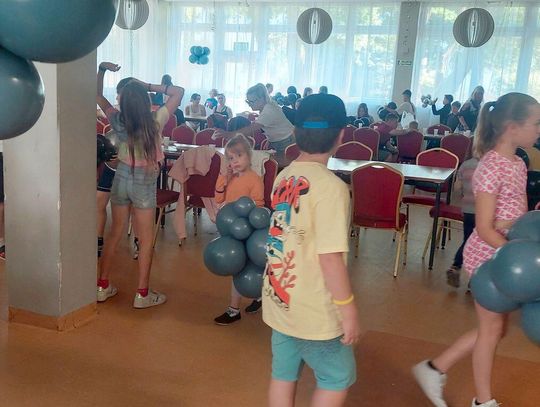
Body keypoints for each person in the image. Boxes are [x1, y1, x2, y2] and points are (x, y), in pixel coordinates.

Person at [412, 92, 540, 407]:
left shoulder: (518, 163)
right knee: (491, 331)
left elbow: (514, 214)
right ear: (512, 127)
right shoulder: (491, 166)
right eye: (536, 123)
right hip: (489, 258)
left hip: (507, 254)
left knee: (494, 329)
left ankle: (434, 368)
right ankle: (483, 401)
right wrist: (514, 256)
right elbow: (484, 227)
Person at [263, 93, 360, 407]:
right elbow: (330, 258)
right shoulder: (333, 188)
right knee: (336, 378)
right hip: (315, 311)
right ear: (341, 136)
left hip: (281, 299)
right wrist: (347, 309)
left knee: (283, 374)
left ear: (295, 133)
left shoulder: (283, 175)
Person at [96, 61, 184, 309]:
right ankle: (142, 294)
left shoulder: (117, 120)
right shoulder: (156, 120)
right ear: (145, 101)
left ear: (123, 102)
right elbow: (178, 92)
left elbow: (97, 95)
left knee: (115, 233)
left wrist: (101, 70)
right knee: (145, 240)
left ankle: (102, 286)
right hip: (144, 181)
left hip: (121, 176)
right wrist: (146, 84)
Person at [213, 135, 264, 325]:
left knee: (242, 268)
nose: (235, 161)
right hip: (230, 229)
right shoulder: (231, 178)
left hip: (247, 231)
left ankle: (234, 310)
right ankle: (255, 298)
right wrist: (223, 178)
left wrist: (244, 224)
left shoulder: (255, 179)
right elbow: (219, 199)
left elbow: (259, 206)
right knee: (237, 266)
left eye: (239, 156)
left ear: (249, 156)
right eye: (231, 158)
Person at [96, 76, 133, 259]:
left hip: (131, 171)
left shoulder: (142, 120)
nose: (117, 97)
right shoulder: (115, 116)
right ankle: (98, 242)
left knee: (135, 209)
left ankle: (139, 242)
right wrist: (101, 70)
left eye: (120, 94)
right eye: (117, 94)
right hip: (111, 168)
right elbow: (97, 95)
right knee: (99, 202)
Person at [213, 83, 294, 154]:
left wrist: (229, 134)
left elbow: (251, 128)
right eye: (248, 101)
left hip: (286, 141)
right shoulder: (268, 104)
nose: (249, 104)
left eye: (251, 101)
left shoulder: (269, 110)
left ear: (261, 99)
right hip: (279, 140)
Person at [446, 156, 479, 288]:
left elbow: (457, 187)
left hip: (468, 210)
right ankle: (475, 277)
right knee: (482, 244)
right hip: (485, 211)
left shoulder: (466, 164)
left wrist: (464, 195)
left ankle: (456, 265)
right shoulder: (492, 165)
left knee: (468, 239)